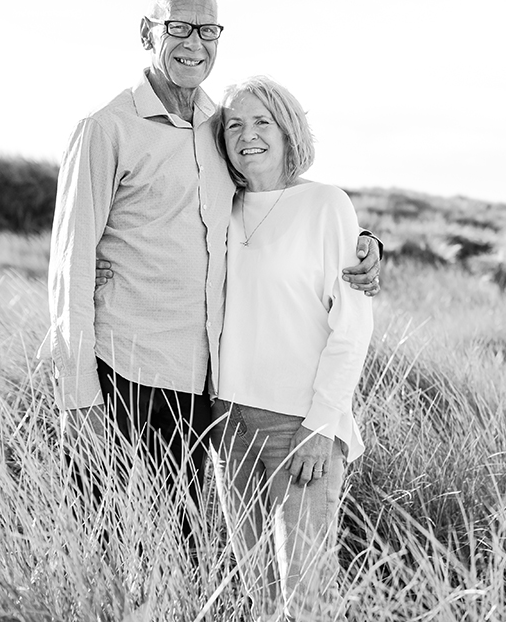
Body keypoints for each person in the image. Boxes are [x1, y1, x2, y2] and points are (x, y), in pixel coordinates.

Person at [46, 0, 380, 546]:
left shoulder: (217, 123)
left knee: (184, 553)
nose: (193, 42)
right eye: (177, 27)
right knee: (109, 548)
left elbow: (272, 195)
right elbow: (72, 264)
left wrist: (360, 241)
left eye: (207, 30)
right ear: (148, 33)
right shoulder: (106, 129)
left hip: (205, 392)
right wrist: (77, 396)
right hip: (124, 378)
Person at [210, 76, 373, 619]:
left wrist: (321, 425)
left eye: (262, 122)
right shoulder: (219, 208)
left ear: (287, 131)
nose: (247, 135)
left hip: (299, 426)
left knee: (304, 599)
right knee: (257, 594)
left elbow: (352, 326)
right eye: (234, 124)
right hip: (227, 421)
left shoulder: (327, 205)